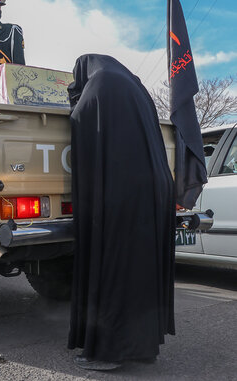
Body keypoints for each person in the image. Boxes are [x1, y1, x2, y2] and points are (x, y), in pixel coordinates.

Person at [67, 54, 176, 370]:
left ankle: (109, 352)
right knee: (142, 270)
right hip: (154, 187)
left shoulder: (101, 82)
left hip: (124, 191)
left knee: (116, 268)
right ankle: (143, 348)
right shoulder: (136, 87)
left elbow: (81, 115)